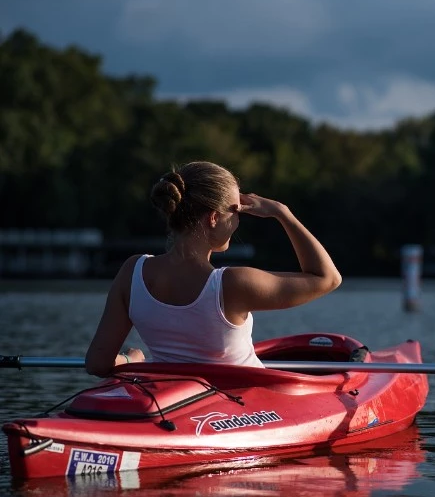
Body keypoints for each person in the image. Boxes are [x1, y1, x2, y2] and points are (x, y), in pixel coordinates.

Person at [85, 161, 342, 376]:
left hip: (178, 404)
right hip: (243, 410)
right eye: (236, 210)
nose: (239, 219)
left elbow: (98, 363)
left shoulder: (133, 271)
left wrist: (132, 362)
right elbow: (328, 278)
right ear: (214, 218)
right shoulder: (233, 284)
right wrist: (283, 214)